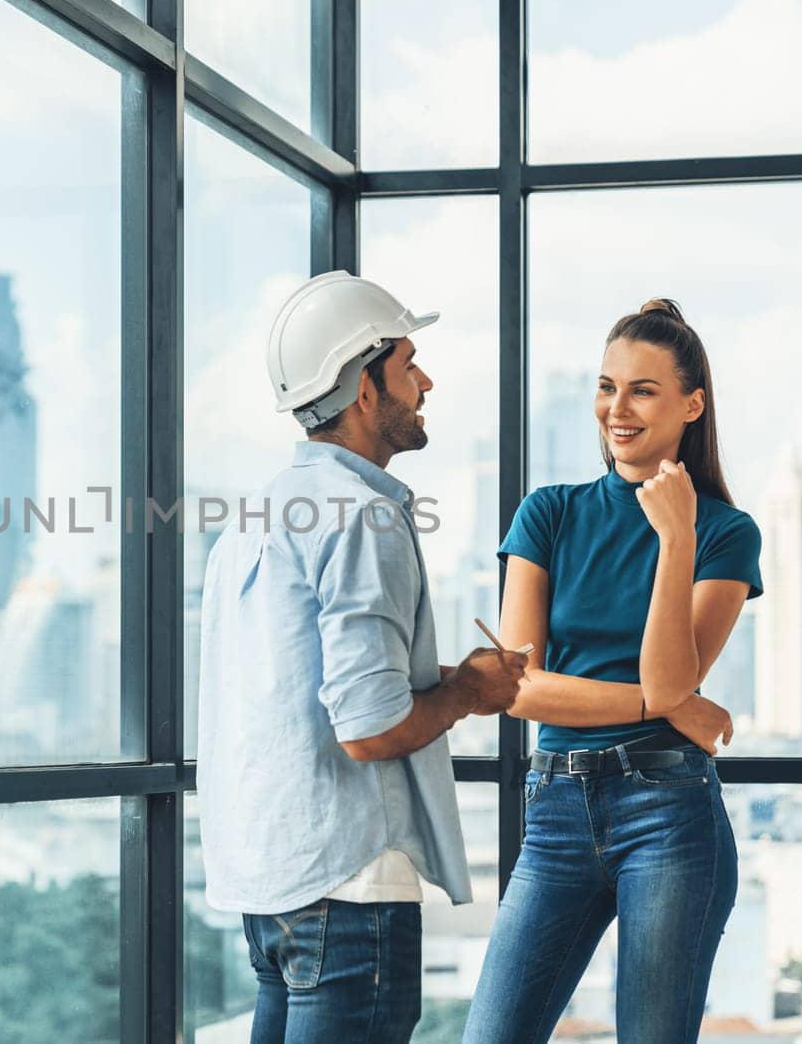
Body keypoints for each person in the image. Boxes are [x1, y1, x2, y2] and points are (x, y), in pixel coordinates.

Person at [197, 271, 528, 1043]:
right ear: (363, 387)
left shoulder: (255, 516)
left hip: (273, 885)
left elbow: (305, 690)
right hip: (349, 888)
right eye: (410, 364)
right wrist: (472, 693)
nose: (427, 381)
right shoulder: (363, 516)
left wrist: (451, 679)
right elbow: (370, 730)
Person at [462, 299, 763, 1044]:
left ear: (692, 404)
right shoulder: (548, 513)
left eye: (642, 389)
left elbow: (671, 681)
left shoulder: (724, 533)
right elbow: (520, 688)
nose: (616, 408)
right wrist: (670, 705)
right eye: (607, 386)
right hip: (555, 807)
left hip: (668, 812)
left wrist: (675, 537)